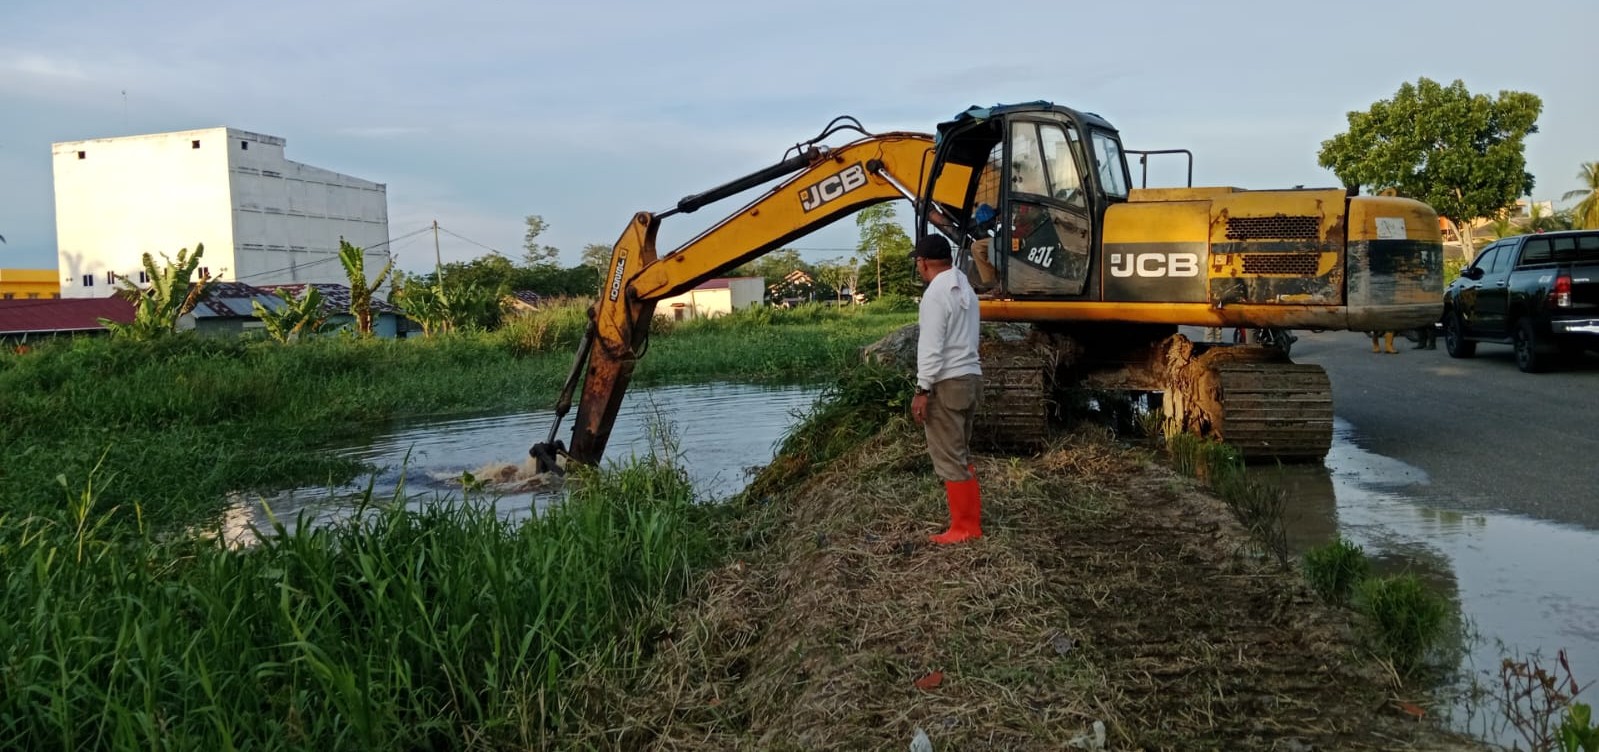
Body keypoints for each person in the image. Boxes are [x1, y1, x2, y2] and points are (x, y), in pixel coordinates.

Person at [908, 234, 984, 545]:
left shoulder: (935, 294)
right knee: (961, 453)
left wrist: (922, 389)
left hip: (947, 383)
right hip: (970, 378)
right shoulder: (965, 287)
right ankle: (968, 523)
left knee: (950, 457)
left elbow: (931, 347)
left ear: (922, 263)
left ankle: (965, 529)